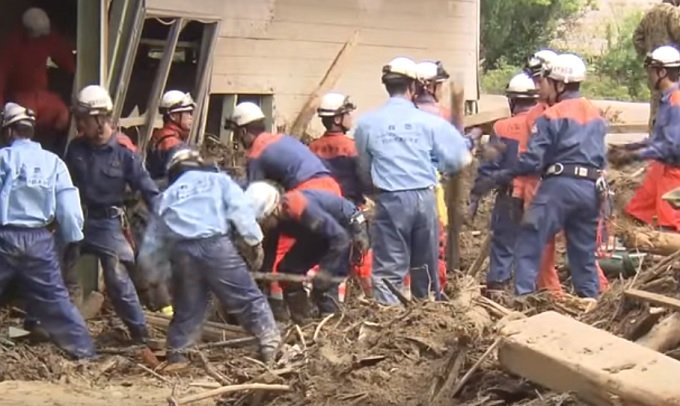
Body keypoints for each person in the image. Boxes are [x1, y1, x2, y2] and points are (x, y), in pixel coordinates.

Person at [480, 53, 608, 299]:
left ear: (559, 84)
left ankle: (524, 300)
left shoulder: (551, 115)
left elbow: (533, 160)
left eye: (545, 81)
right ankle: (590, 302)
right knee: (582, 252)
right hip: (591, 188)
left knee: (529, 240)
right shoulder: (596, 113)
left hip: (559, 186)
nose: (540, 87)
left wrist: (506, 174)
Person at [137, 150, 281, 364]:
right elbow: (240, 209)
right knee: (247, 298)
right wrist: (254, 240)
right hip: (215, 245)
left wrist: (153, 274)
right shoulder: (218, 180)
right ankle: (271, 345)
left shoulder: (166, 196)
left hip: (182, 252)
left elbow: (153, 242)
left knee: (188, 308)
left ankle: (178, 356)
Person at [354, 56, 472, 305]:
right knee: (425, 269)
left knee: (389, 271)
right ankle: (428, 316)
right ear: (414, 87)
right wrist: (436, 166)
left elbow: (364, 167)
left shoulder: (367, 124)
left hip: (391, 199)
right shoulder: (429, 122)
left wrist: (373, 191)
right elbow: (460, 158)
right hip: (425, 198)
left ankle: (389, 325)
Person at [225, 102, 342, 318]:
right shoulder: (283, 140)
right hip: (330, 191)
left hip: (307, 195)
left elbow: (252, 203)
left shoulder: (256, 154)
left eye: (236, 134)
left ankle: (277, 305)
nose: (238, 141)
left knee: (272, 232)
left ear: (242, 131)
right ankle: (326, 318)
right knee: (320, 255)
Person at [64, 85, 160, 343]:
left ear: (99, 118)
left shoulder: (125, 152)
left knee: (118, 280)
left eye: (83, 119)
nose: (79, 124)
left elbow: (147, 188)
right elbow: (63, 187)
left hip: (108, 223)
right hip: (78, 219)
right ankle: (67, 330)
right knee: (60, 268)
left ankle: (141, 335)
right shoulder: (76, 149)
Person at [0, 102, 95, 359]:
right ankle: (84, 352)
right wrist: (74, 239)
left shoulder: (3, 159)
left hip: (4, 237)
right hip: (40, 240)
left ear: (9, 132)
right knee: (56, 300)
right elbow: (69, 208)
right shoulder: (53, 163)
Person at [245, 181, 370, 322]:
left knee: (324, 284)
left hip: (345, 228)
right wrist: (262, 278)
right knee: (288, 271)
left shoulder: (301, 208)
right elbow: (270, 250)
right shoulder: (276, 218)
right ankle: (304, 321)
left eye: (263, 221)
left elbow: (339, 238)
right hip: (317, 232)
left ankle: (330, 326)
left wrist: (326, 272)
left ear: (272, 210)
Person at [469, 72, 538, 294]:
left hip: (510, 196)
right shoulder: (547, 123)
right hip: (540, 196)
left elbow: (490, 165)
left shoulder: (502, 128)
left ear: (512, 100)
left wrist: (476, 194)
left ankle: (498, 288)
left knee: (503, 244)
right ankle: (527, 292)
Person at [610, 45, 680, 231]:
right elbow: (658, 139)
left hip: (675, 171)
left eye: (652, 71)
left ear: (662, 72)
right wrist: (629, 147)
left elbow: (672, 146)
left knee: (670, 224)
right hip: (662, 166)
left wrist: (635, 156)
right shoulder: (667, 99)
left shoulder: (676, 101)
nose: (649, 76)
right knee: (637, 212)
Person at [308, 92, 371, 293]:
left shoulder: (312, 148)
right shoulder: (352, 148)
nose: (351, 117)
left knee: (325, 258)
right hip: (350, 211)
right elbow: (366, 179)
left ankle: (323, 299)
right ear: (337, 119)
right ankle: (354, 302)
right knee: (358, 258)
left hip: (320, 210)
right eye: (347, 114)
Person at [0, 8, 76, 154]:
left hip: (41, 95)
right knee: (24, 120)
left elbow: (63, 54)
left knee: (63, 115)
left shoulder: (47, 38)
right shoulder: (11, 46)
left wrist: (75, 70)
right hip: (20, 97)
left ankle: (56, 152)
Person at [633, 0, 680, 130]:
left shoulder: (649, 14)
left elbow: (637, 38)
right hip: (672, 68)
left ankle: (654, 137)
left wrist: (649, 53)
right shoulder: (673, 13)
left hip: (654, 69)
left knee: (656, 106)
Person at [146, 90, 195, 181]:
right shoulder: (174, 144)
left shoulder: (159, 136)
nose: (191, 117)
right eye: (187, 112)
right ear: (173, 116)